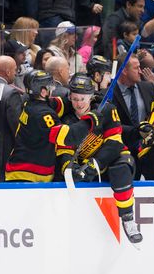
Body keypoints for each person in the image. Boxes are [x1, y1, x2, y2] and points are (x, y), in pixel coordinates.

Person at [56, 73, 142, 242]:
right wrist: (68, 168)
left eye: (82, 99)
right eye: (74, 99)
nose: (78, 104)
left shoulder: (106, 110)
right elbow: (63, 149)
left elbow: (115, 143)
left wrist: (95, 163)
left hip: (110, 158)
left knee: (121, 167)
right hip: (84, 163)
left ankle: (128, 218)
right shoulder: (66, 118)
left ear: (90, 97)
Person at [5, 70, 67, 182]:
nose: (52, 89)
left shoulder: (28, 102)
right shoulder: (43, 114)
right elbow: (66, 136)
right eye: (49, 87)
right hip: (29, 174)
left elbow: (52, 103)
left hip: (19, 169)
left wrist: (76, 97)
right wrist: (88, 122)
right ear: (43, 92)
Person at [111, 53, 154, 177]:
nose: (140, 71)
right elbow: (111, 125)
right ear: (124, 71)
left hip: (148, 151)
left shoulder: (148, 87)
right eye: (136, 68)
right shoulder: (109, 93)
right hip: (122, 152)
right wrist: (136, 131)